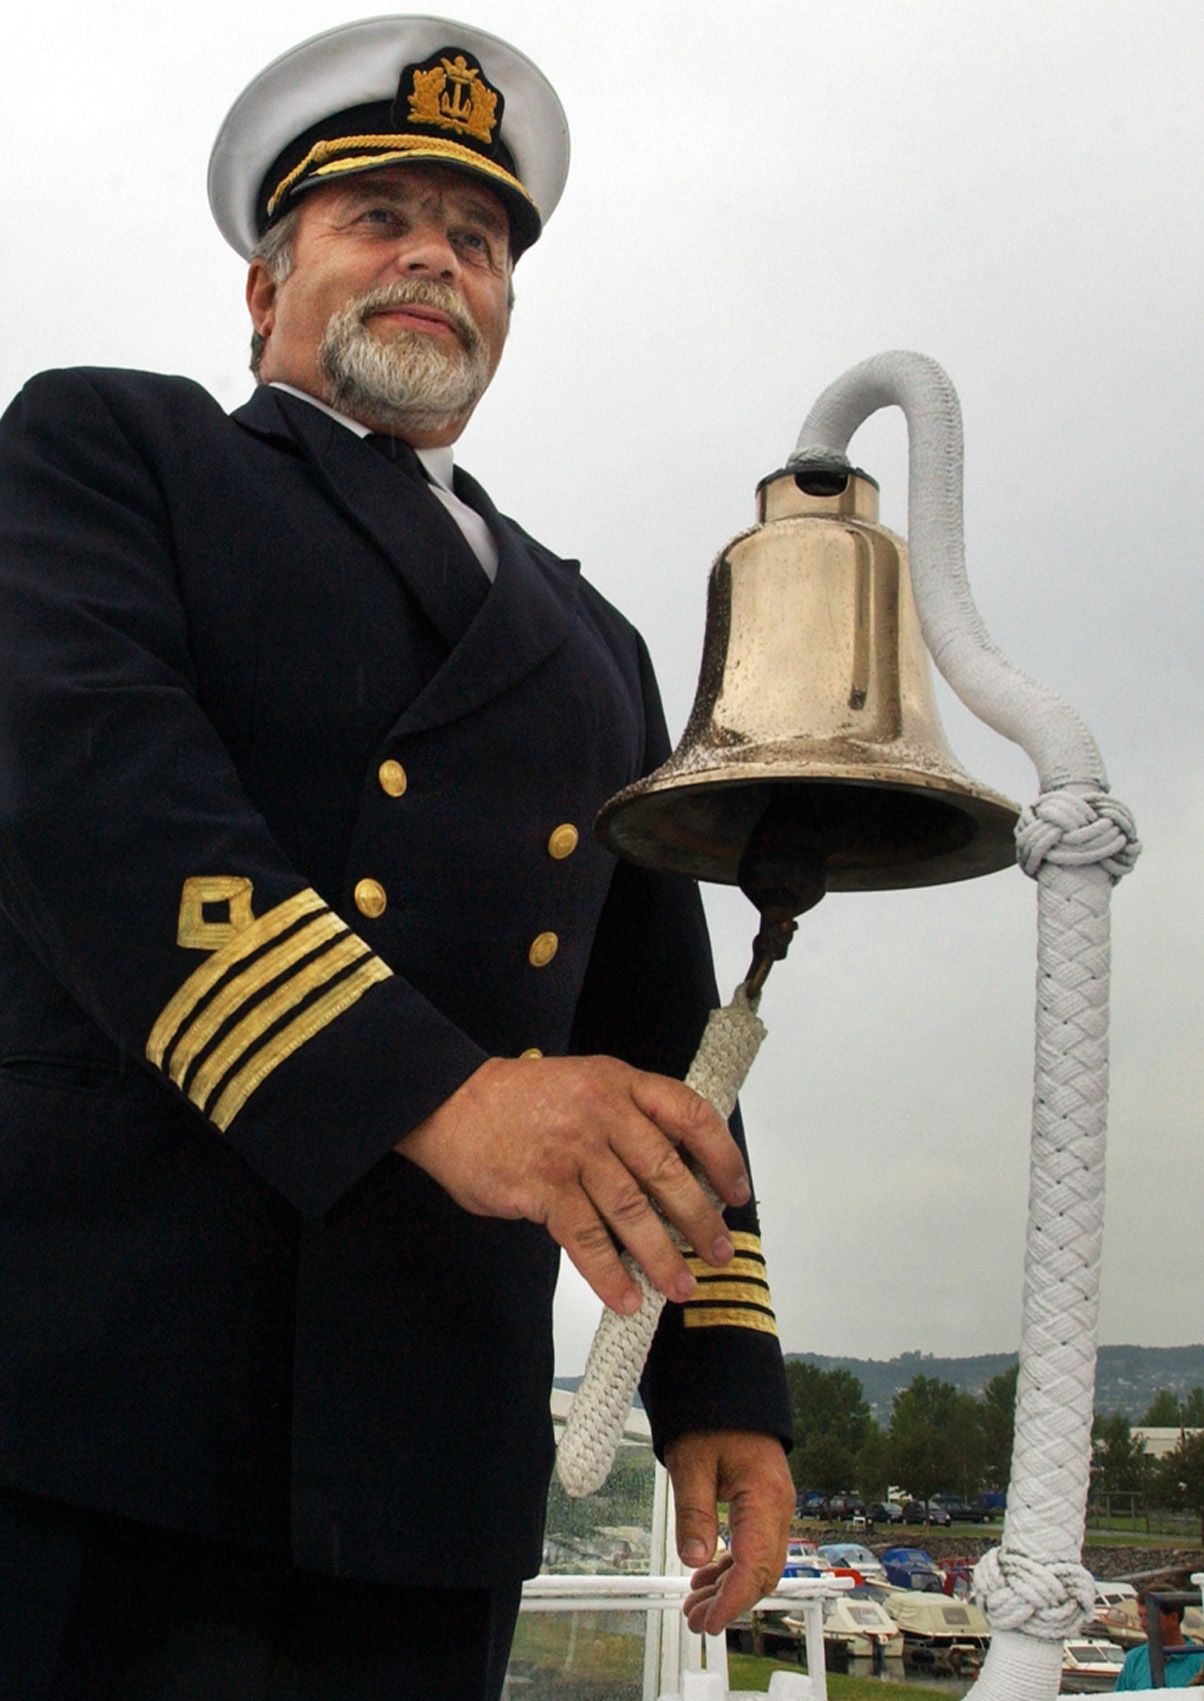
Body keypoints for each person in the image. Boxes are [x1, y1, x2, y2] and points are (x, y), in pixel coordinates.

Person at [0, 16, 794, 1699]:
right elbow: (90, 794)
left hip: (431, 1460)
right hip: (96, 1416)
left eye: (481, 238)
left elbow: (659, 1043)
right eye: (381, 219)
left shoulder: (592, 640)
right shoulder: (109, 452)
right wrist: (443, 1096)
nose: (440, 255)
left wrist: (716, 1377)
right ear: (261, 290)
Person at [1115, 1591, 1204, 1690]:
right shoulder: (1134, 1660)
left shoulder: (1200, 1660)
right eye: (1140, 1617)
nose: (1142, 1624)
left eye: (1149, 1617)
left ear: (1173, 1618)